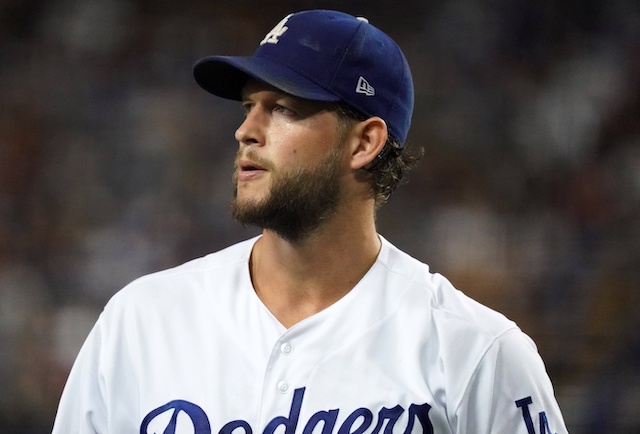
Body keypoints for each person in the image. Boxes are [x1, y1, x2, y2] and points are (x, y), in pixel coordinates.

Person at [51, 10, 569, 434]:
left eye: (282, 108)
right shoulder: (142, 321)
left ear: (364, 142)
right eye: (250, 105)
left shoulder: (476, 352)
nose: (245, 131)